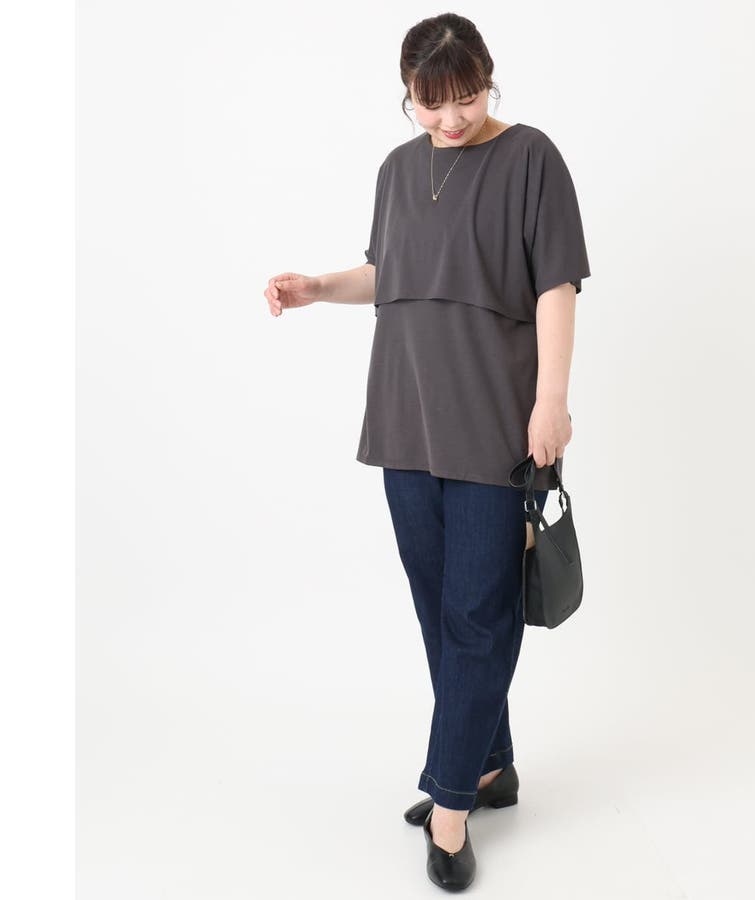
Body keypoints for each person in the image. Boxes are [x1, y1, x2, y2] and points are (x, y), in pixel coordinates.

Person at [263, 12, 590, 892]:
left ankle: (450, 810)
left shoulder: (532, 159)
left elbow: (557, 284)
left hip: (493, 423)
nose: (450, 119)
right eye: (429, 103)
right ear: (407, 95)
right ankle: (488, 765)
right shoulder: (397, 170)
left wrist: (551, 400)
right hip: (405, 419)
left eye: (467, 98)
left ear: (489, 78)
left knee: (479, 615)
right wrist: (317, 287)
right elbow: (392, 273)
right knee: (440, 609)